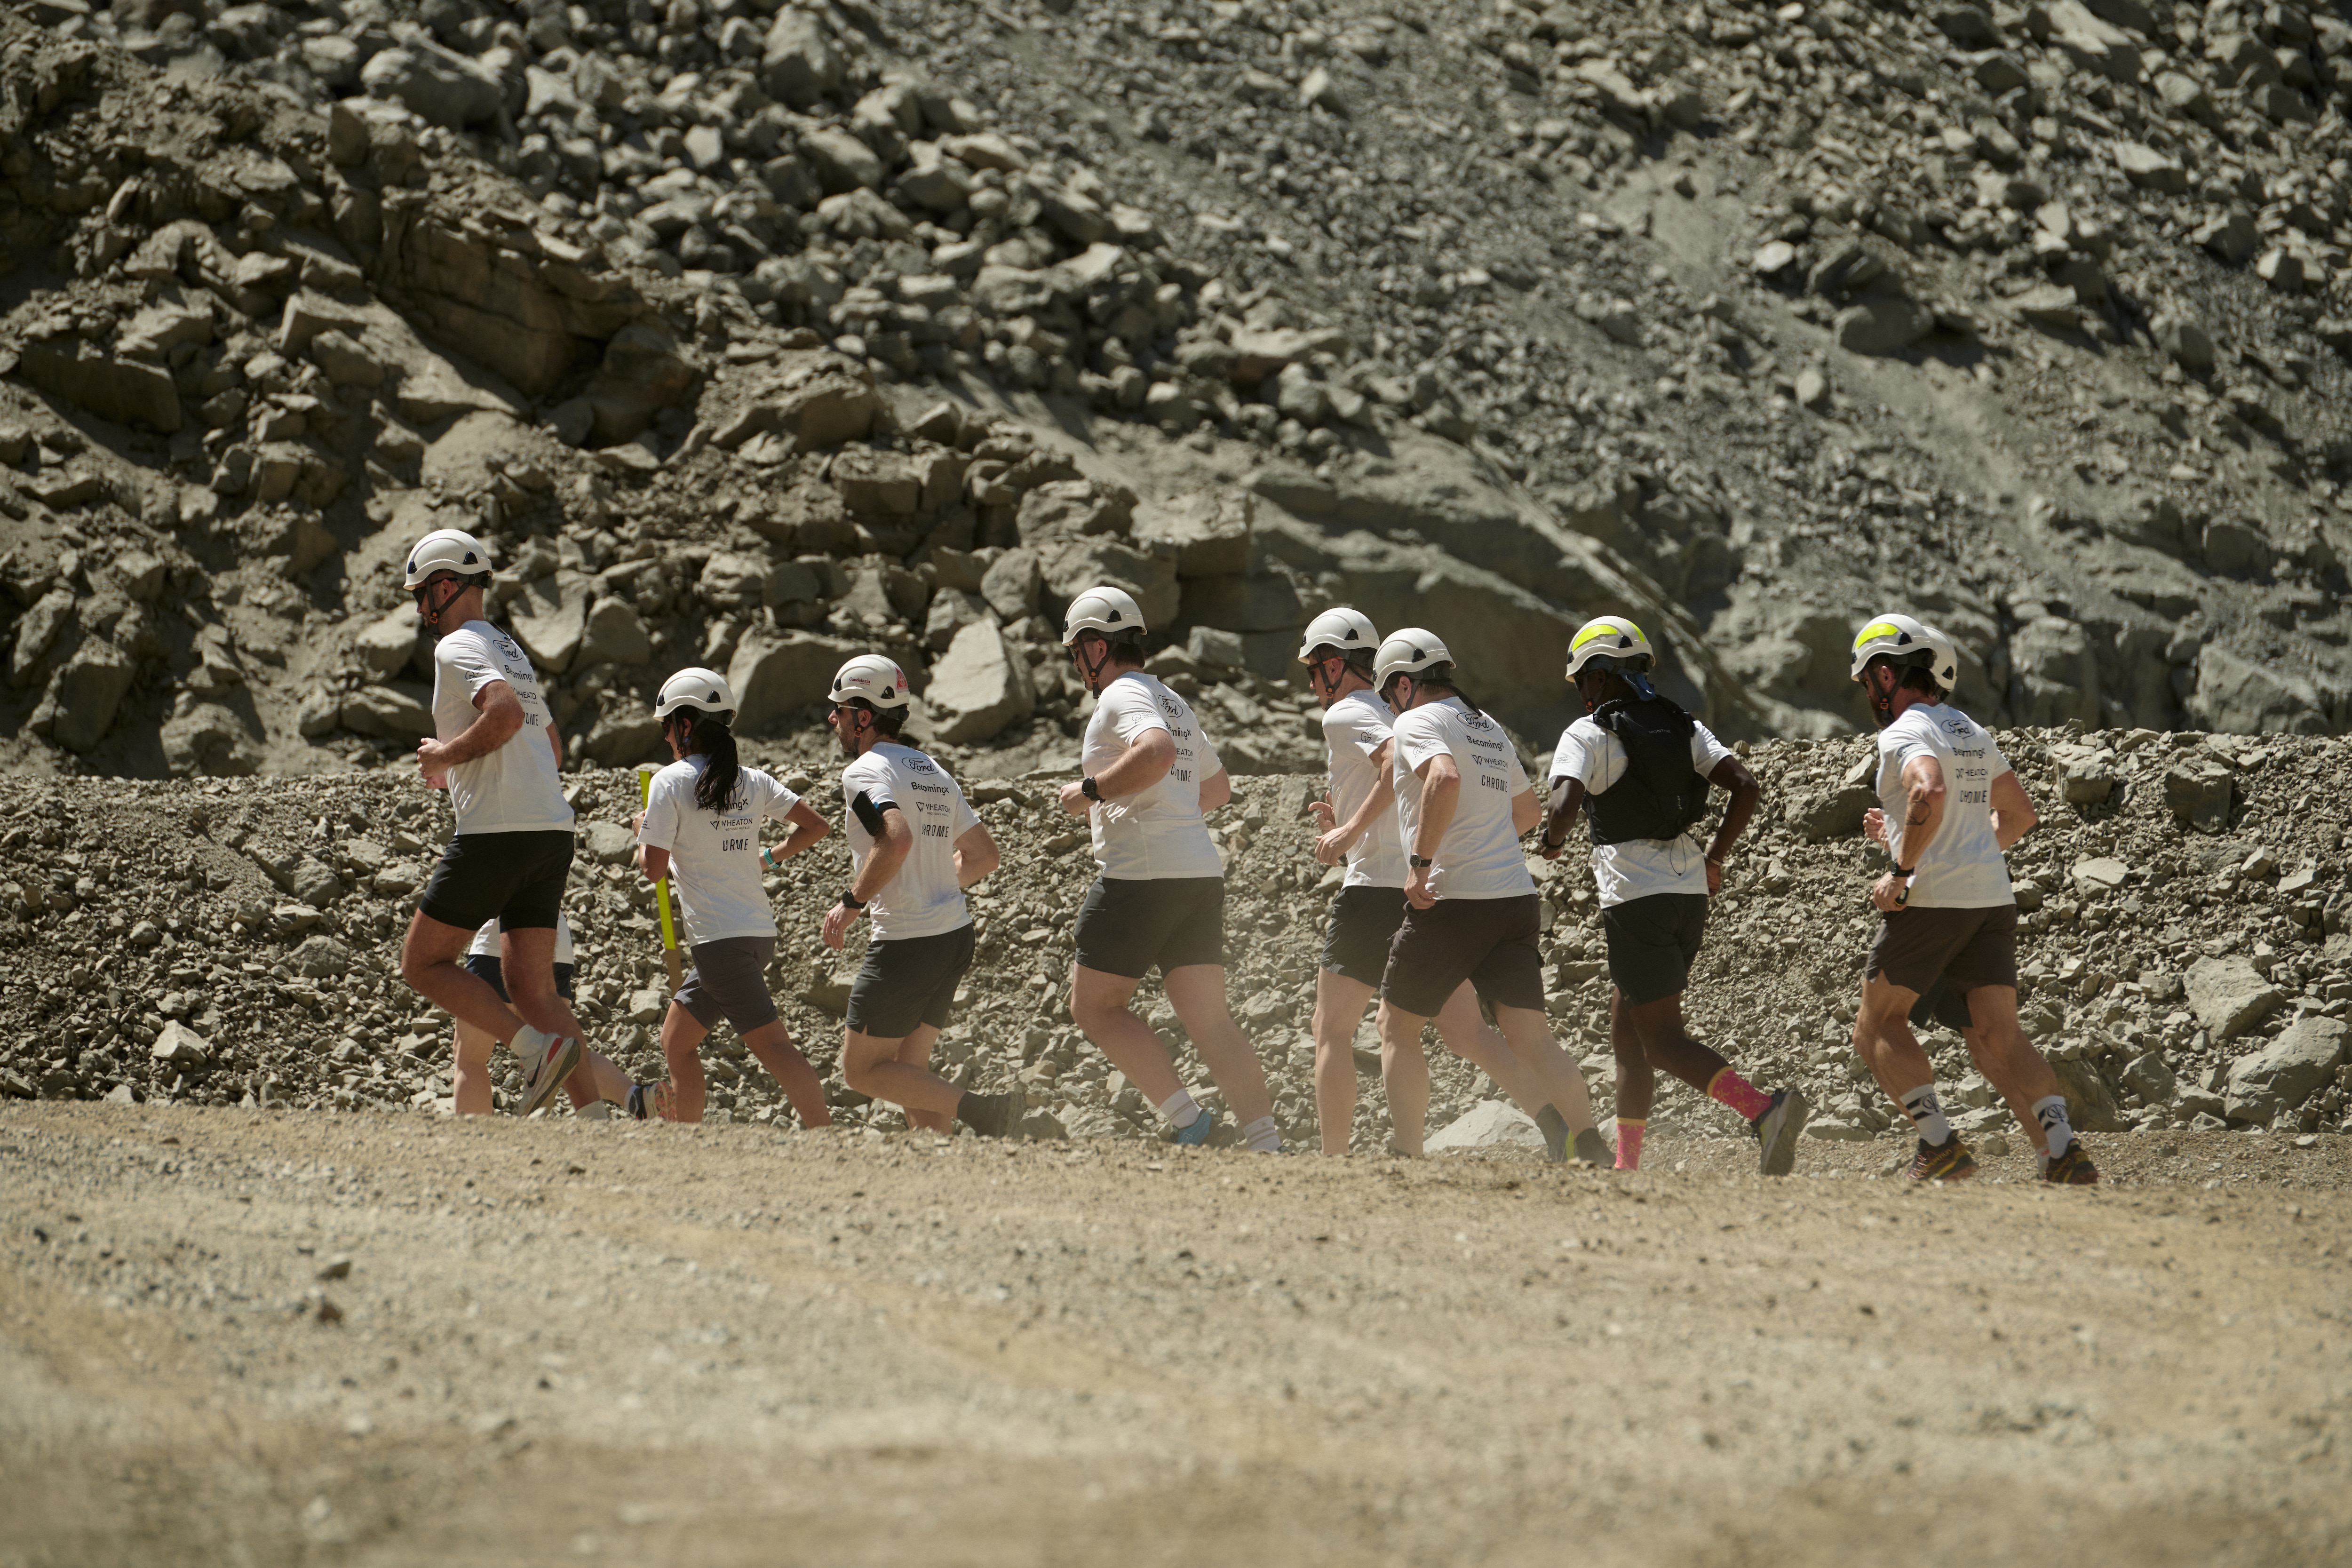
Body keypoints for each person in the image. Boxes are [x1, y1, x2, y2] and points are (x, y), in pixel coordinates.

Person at [1299, 608, 1594, 1161]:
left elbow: (1395, 762)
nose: (1313, 685)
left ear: (1336, 666)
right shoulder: (1442, 717)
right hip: (1436, 886)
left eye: (1314, 671)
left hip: (1380, 887)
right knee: (1465, 1033)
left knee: (1332, 1027)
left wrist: (1348, 831)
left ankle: (1334, 1161)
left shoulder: (1348, 714)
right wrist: (1353, 823)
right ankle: (1554, 1123)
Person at [1537, 616, 1806, 1175]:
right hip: (1687, 895)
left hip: (1636, 900)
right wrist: (1714, 858)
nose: (1582, 694)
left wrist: (1551, 840)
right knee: (1627, 1030)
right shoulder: (1684, 727)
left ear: (1597, 675)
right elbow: (1747, 787)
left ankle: (1763, 1111)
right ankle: (1626, 1164)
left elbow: (1564, 806)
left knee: (1660, 1041)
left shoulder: (1586, 734)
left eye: (1581, 681)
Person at [1847, 613, 2098, 1184]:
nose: (1868, 694)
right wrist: (1945, 848)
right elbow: (2018, 814)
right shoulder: (1966, 728)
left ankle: (1938, 1145)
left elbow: (1927, 790)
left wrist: (1901, 870)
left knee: (1876, 1024)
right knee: (1997, 1035)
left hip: (1932, 902)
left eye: (1866, 681)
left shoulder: (1904, 731)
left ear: (1886, 677)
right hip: (1988, 897)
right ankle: (2060, 1151)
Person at [1369, 629, 1609, 1164]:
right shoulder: (1487, 726)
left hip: (1452, 899)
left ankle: (1405, 1152)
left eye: (1388, 696)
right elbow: (1526, 814)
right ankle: (1589, 1144)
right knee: (1531, 1036)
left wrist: (1421, 863)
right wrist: (1484, 840)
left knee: (1395, 1026)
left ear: (1405, 685)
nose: (1389, 708)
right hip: (1513, 898)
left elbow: (1445, 778)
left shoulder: (1415, 721)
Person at [1055, 585, 1280, 1152]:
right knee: (1210, 1019)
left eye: (1076, 651)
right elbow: (1218, 788)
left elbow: (1155, 755)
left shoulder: (1119, 697)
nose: (1076, 664)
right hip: (1198, 873)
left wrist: (1090, 790)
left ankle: (1192, 1123)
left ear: (1094, 647)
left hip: (1140, 875)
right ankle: (1265, 1141)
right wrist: (1171, 812)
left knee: (1094, 1006)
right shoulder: (1171, 699)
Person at [397, 526, 587, 1119]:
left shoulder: (454, 648)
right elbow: (549, 747)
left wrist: (444, 757)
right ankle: (600, 1122)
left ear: (447, 586)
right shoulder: (509, 648)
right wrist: (463, 763)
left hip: (497, 834)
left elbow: (502, 717)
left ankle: (532, 1053)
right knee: (534, 988)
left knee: (422, 964)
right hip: (550, 831)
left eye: (422, 594)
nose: (421, 608)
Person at [819, 654, 1026, 1138]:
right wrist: (931, 883)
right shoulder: (930, 768)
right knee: (910, 1077)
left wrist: (851, 903)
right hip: (951, 936)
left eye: (840, 710)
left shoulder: (863, 772)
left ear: (864, 716)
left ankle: (983, 1111)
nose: (833, 719)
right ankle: (946, 1177)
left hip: (906, 942)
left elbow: (894, 839)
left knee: (861, 1071)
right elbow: (983, 856)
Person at [635, 667, 834, 1127]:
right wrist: (768, 857)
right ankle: (688, 1135)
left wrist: (642, 831)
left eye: (666, 726)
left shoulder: (669, 782)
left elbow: (653, 868)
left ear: (684, 725)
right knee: (675, 1040)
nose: (665, 737)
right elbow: (816, 826)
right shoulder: (754, 780)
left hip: (719, 943)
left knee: (774, 1047)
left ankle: (827, 1138)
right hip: (752, 935)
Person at [450, 913, 649, 1119]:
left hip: (500, 942)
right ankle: (636, 1097)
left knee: (471, 1058)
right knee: (564, 1054)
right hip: (555, 941)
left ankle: (474, 1139)